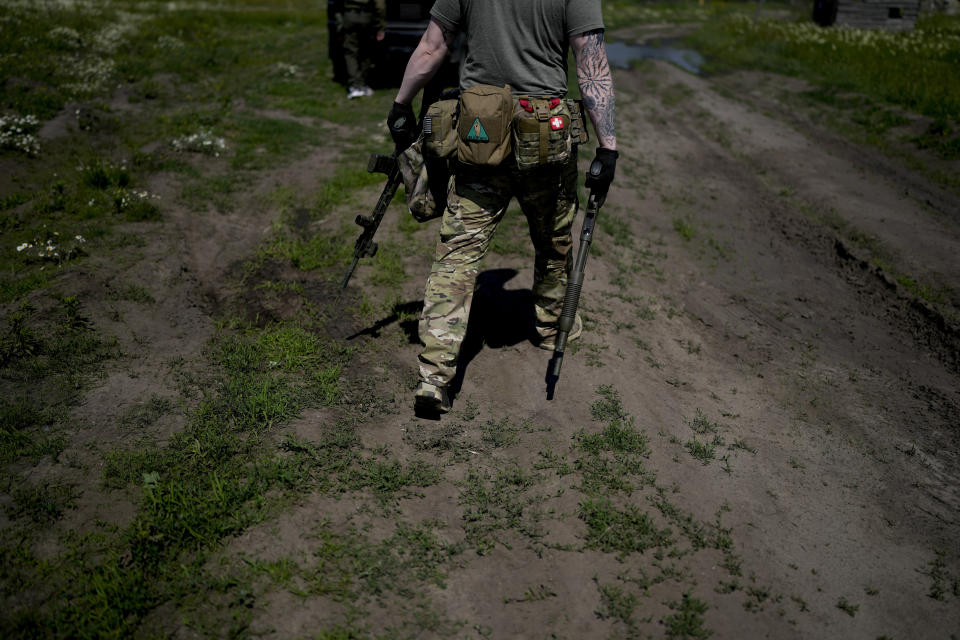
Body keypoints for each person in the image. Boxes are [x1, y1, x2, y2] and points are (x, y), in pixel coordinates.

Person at [387, 0, 618, 415]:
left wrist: (402, 103)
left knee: (457, 256)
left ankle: (434, 375)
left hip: (480, 135)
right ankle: (550, 325)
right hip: (546, 135)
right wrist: (608, 146)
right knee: (554, 239)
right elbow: (591, 62)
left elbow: (432, 45)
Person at [341, 0, 386, 99]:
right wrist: (380, 26)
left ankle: (354, 85)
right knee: (366, 52)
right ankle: (361, 83)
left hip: (349, 15)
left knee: (351, 52)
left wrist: (339, 20)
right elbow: (380, 6)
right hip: (366, 16)